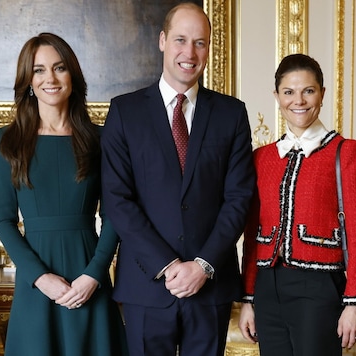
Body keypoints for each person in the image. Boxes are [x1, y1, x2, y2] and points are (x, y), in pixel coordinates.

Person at [100, 3, 255, 356]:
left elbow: (239, 198)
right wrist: (167, 265)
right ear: (162, 40)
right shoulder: (125, 112)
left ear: (208, 48)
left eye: (200, 43)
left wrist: (202, 266)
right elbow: (117, 200)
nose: (189, 52)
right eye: (181, 40)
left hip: (210, 284)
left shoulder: (231, 113)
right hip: (146, 283)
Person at [0, 32, 128, 356]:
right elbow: (5, 221)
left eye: (59, 68)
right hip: (35, 284)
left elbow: (113, 216)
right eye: (38, 70)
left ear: (73, 76)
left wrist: (94, 275)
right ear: (28, 80)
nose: (49, 78)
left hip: (89, 277)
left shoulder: (101, 139)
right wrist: (40, 278)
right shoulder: (7, 141)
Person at [238, 53, 356, 356]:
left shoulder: (346, 152)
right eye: (288, 92)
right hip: (267, 288)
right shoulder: (261, 158)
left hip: (319, 288)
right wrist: (248, 299)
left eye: (308, 91)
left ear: (322, 94)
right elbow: (252, 235)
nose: (298, 100)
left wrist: (355, 302)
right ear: (276, 96)